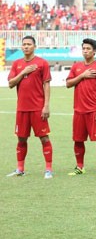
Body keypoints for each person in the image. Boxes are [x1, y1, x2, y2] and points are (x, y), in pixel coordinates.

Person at [6, 36, 53, 179]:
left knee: (44, 138)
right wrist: (23, 72)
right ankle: (20, 169)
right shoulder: (17, 64)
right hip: (22, 109)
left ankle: (48, 169)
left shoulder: (42, 63)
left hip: (38, 108)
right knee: (21, 139)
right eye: (24, 45)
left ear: (34, 46)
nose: (26, 47)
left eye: (29, 44)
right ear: (21, 47)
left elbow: (46, 84)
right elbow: (11, 83)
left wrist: (46, 105)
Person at [66, 38, 96, 176]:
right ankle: (80, 166)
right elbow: (68, 83)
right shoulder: (76, 67)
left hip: (93, 110)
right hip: (78, 110)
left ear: (94, 51)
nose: (85, 51)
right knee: (78, 139)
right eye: (84, 48)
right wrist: (82, 75)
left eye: (88, 49)